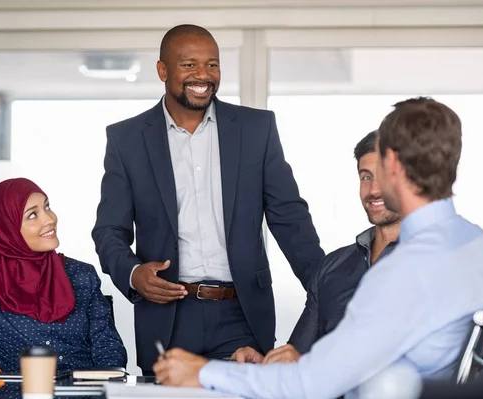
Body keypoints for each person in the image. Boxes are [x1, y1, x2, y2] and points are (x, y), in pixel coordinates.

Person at [152, 97, 483, 399]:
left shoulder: (402, 272)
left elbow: (312, 386)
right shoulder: (481, 248)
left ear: (392, 164)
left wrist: (203, 372)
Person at [92, 24, 324, 374]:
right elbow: (109, 230)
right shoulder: (127, 140)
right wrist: (133, 272)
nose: (203, 75)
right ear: (162, 70)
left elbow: (289, 217)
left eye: (212, 64)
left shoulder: (256, 128)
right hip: (168, 315)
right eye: (189, 65)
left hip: (241, 314)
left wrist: (328, 287)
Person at [232, 130, 401, 365]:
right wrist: (265, 366)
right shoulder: (332, 267)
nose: (373, 190)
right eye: (366, 177)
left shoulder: (437, 264)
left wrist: (307, 368)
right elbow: (297, 356)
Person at [0, 178, 127, 374]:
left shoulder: (83, 275)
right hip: (14, 393)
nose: (50, 219)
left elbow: (108, 345)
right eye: (33, 215)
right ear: (5, 228)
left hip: (84, 392)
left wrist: (108, 382)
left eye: (47, 207)